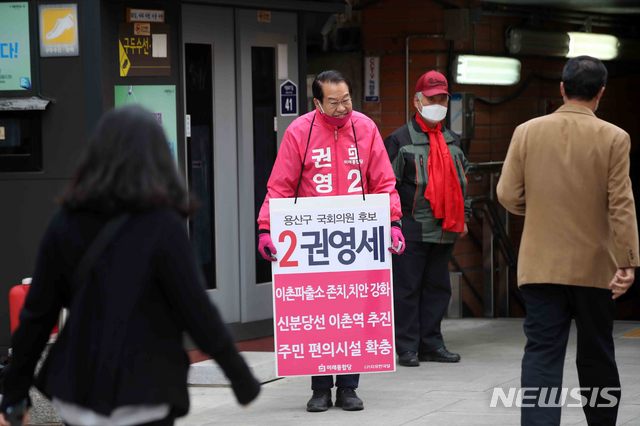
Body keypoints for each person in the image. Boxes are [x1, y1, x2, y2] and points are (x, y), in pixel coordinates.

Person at [0, 106, 260, 426]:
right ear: (157, 159)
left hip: (79, 390)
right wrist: (239, 377)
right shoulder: (163, 225)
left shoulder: (66, 223)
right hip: (146, 389)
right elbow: (196, 311)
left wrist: (14, 391)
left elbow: (37, 317)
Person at [497, 56, 638, 426]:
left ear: (561, 88)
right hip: (596, 268)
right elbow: (621, 203)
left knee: (542, 353)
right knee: (596, 353)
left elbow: (507, 193)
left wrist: (540, 209)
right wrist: (627, 261)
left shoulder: (526, 131)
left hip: (540, 266)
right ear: (601, 93)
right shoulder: (614, 137)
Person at [256, 70, 405, 413]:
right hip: (313, 237)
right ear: (317, 102)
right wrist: (266, 228)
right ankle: (320, 388)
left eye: (347, 100)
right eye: (334, 102)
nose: (342, 108)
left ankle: (349, 387)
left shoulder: (365, 128)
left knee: (353, 311)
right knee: (319, 312)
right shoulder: (299, 131)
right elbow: (280, 184)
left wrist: (393, 222)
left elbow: (383, 181)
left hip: (356, 235)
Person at [384, 70, 470, 367]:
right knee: (407, 289)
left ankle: (432, 343)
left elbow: (462, 183)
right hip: (410, 227)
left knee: (438, 288)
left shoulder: (453, 140)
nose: (438, 103)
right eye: (432, 98)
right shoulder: (399, 140)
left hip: (444, 227)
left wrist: (465, 216)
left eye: (442, 98)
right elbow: (386, 185)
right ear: (417, 101)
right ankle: (407, 347)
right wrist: (393, 223)